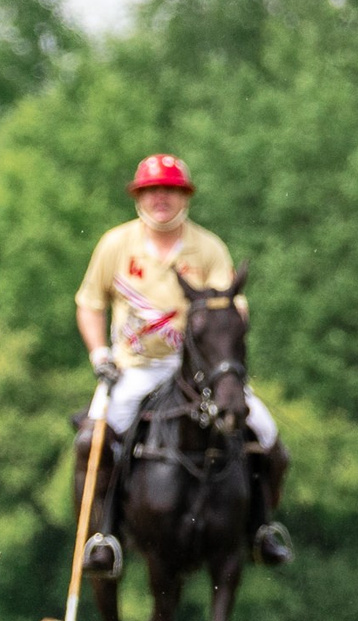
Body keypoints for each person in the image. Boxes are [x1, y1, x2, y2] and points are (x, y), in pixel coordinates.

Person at [72, 154, 292, 572]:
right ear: (139, 195)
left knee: (268, 437)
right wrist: (99, 353)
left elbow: (233, 308)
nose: (161, 198)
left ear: (184, 196)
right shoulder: (116, 244)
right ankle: (104, 536)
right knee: (92, 441)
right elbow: (89, 303)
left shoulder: (207, 247)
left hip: (199, 372)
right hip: (133, 368)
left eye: (170, 190)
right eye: (152, 190)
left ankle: (262, 530)